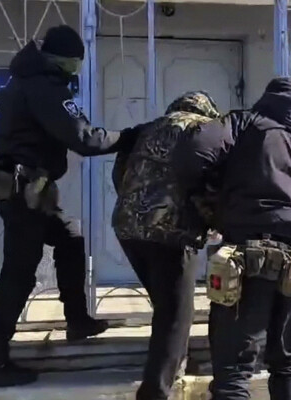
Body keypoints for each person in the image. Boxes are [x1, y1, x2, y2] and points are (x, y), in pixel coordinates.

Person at [172, 78, 291, 400]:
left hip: (247, 258)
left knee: (233, 371)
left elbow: (194, 148)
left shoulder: (245, 123)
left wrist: (211, 197)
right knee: (288, 361)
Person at [0, 25, 137, 389]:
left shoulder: (28, 80)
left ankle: (77, 320)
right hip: (23, 191)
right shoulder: (44, 87)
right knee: (18, 275)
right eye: (76, 61)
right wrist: (129, 137)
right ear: (63, 60)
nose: (78, 67)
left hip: (29, 189)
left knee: (69, 237)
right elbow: (84, 138)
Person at [112, 91, 221, 400]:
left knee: (166, 304)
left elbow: (120, 171)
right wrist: (214, 221)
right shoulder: (203, 131)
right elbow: (207, 180)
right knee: (175, 313)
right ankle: (155, 391)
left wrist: (133, 206)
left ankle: (175, 364)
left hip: (128, 226)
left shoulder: (149, 128)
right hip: (172, 231)